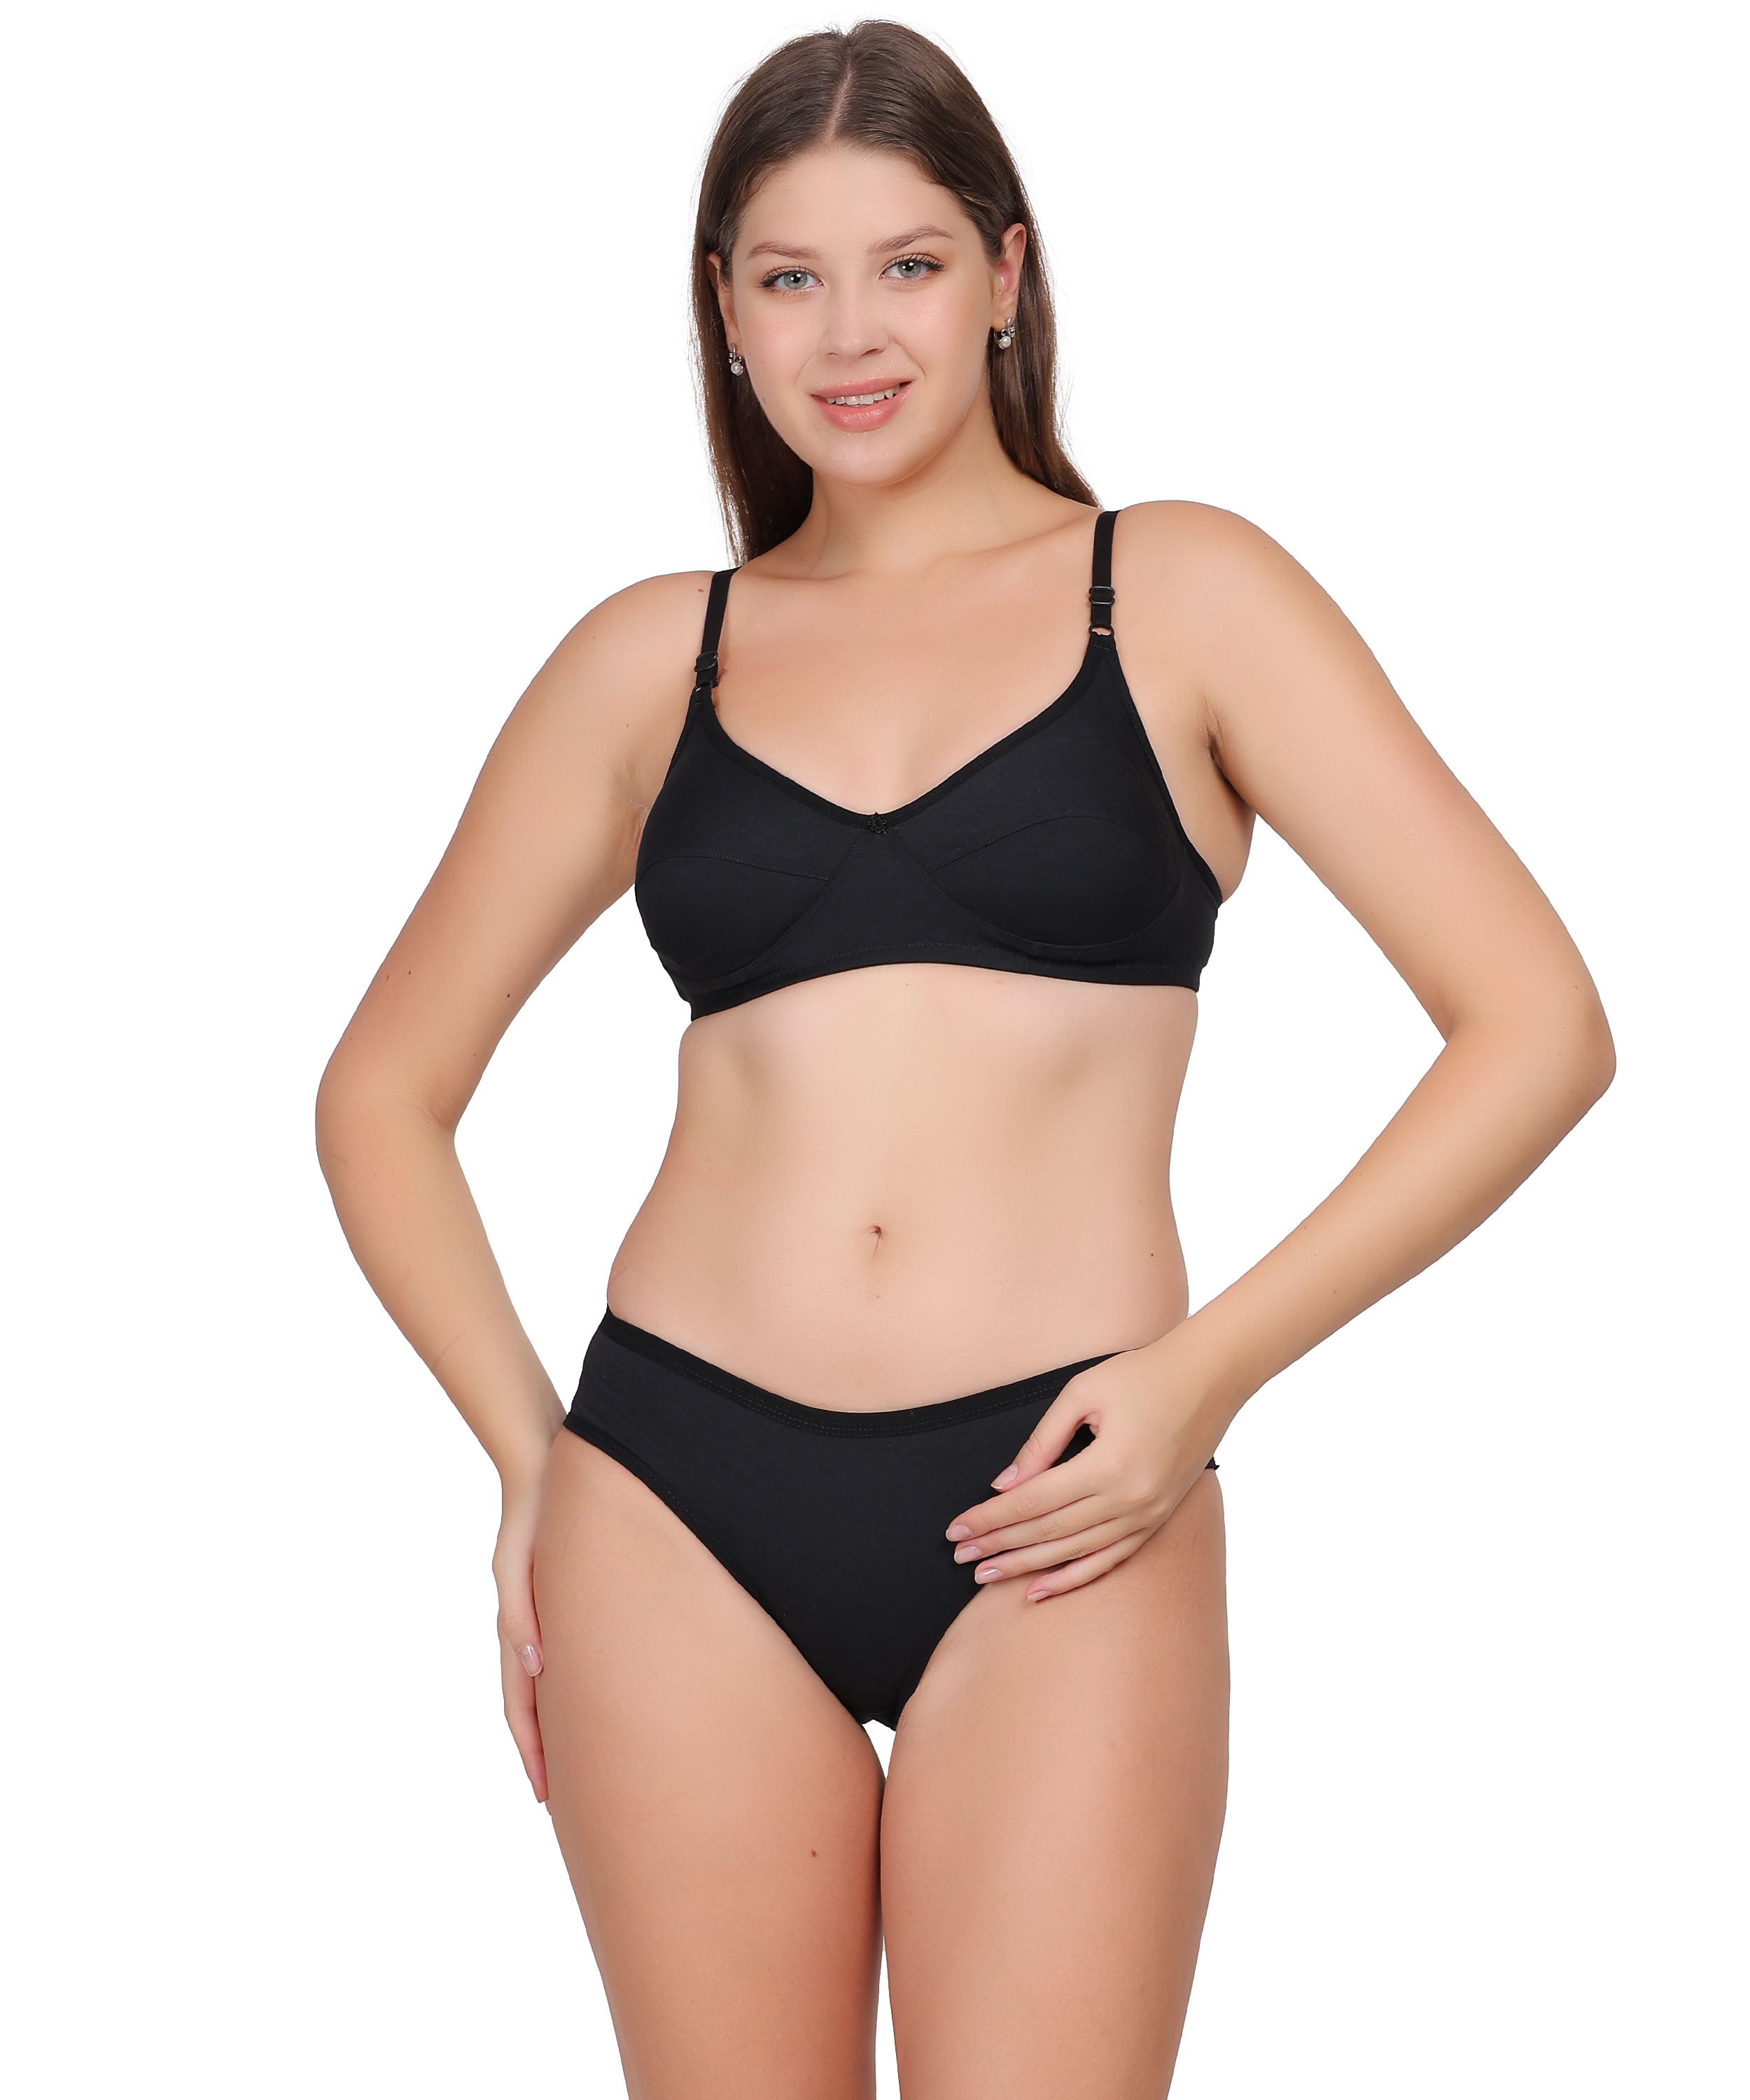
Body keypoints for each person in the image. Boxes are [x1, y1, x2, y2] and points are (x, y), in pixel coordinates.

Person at [314, 20, 1615, 2096]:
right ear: (723, 309)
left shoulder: (1179, 592)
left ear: (1007, 274)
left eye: (908, 265)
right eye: (790, 275)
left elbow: (1537, 1023)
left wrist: (1203, 1376)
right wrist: (529, 1457)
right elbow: (381, 1093)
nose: (851, 333)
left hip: (1070, 1478)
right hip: (670, 1494)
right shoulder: (652, 656)